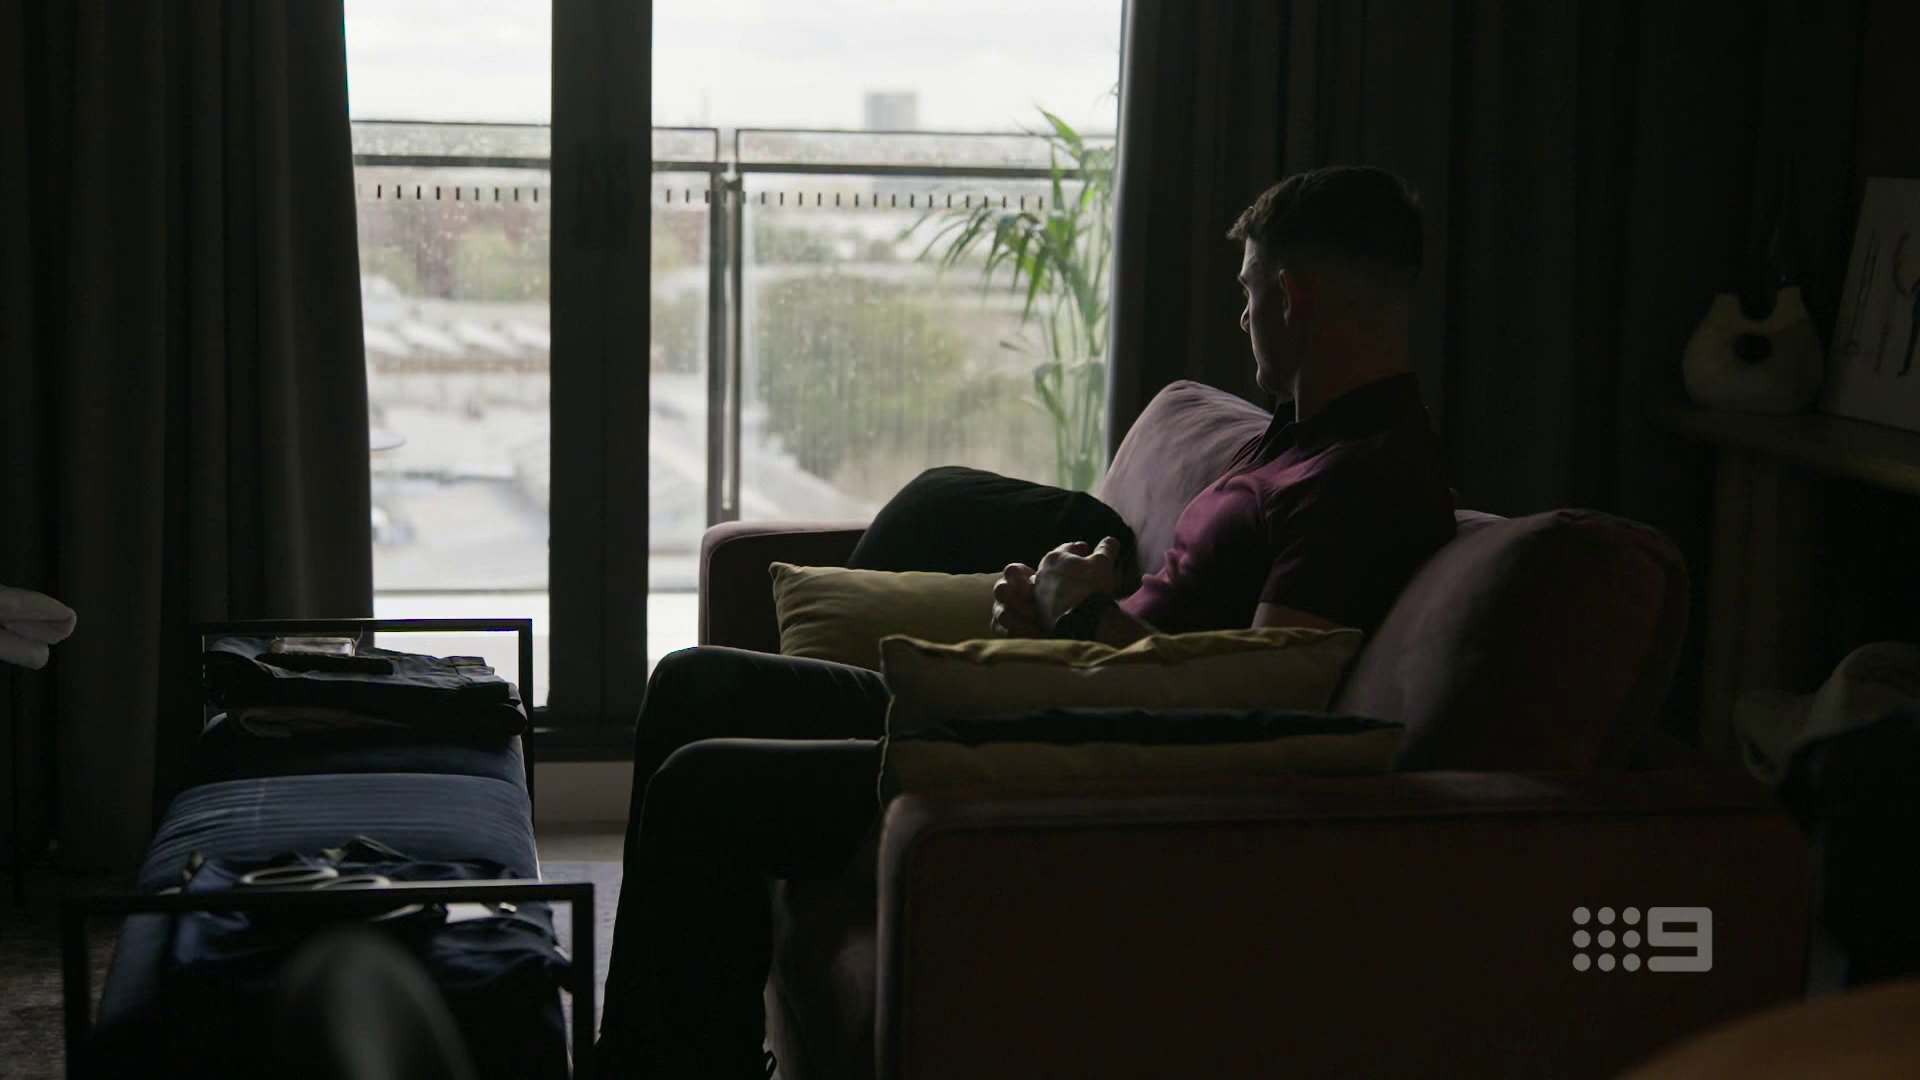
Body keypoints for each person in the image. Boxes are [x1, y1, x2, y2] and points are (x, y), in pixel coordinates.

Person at [593, 165, 1457, 1079]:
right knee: (692, 684)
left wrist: (1076, 611)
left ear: (1288, 296)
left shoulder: (1361, 481)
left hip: (1065, 758)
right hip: (1054, 694)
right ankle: (634, 1057)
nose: (1242, 318)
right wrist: (1064, 620)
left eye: (1248, 294)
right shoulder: (1299, 439)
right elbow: (1195, 641)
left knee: (705, 789)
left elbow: (1253, 708)